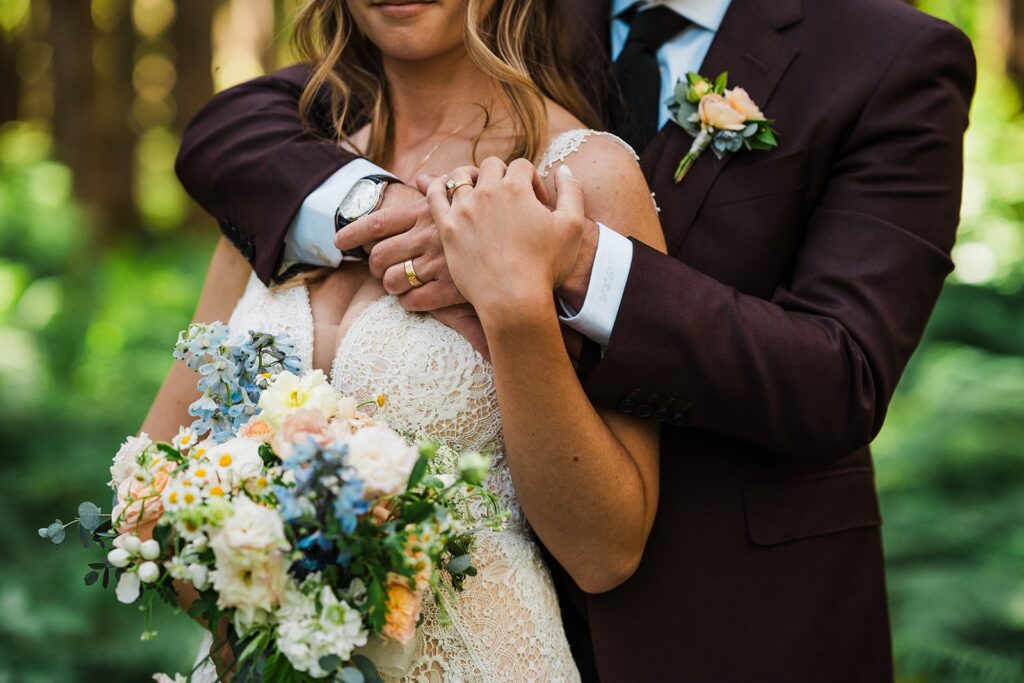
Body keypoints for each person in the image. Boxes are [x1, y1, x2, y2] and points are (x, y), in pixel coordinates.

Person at [175, 0, 976, 680]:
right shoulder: (521, 14)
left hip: (724, 622)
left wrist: (572, 263)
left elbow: (840, 376)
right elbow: (241, 125)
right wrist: (391, 212)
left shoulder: (887, 55)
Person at [148, 0, 666, 680]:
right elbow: (152, 487)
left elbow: (606, 551)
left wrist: (513, 310)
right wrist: (271, 596)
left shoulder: (582, 181)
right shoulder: (283, 180)